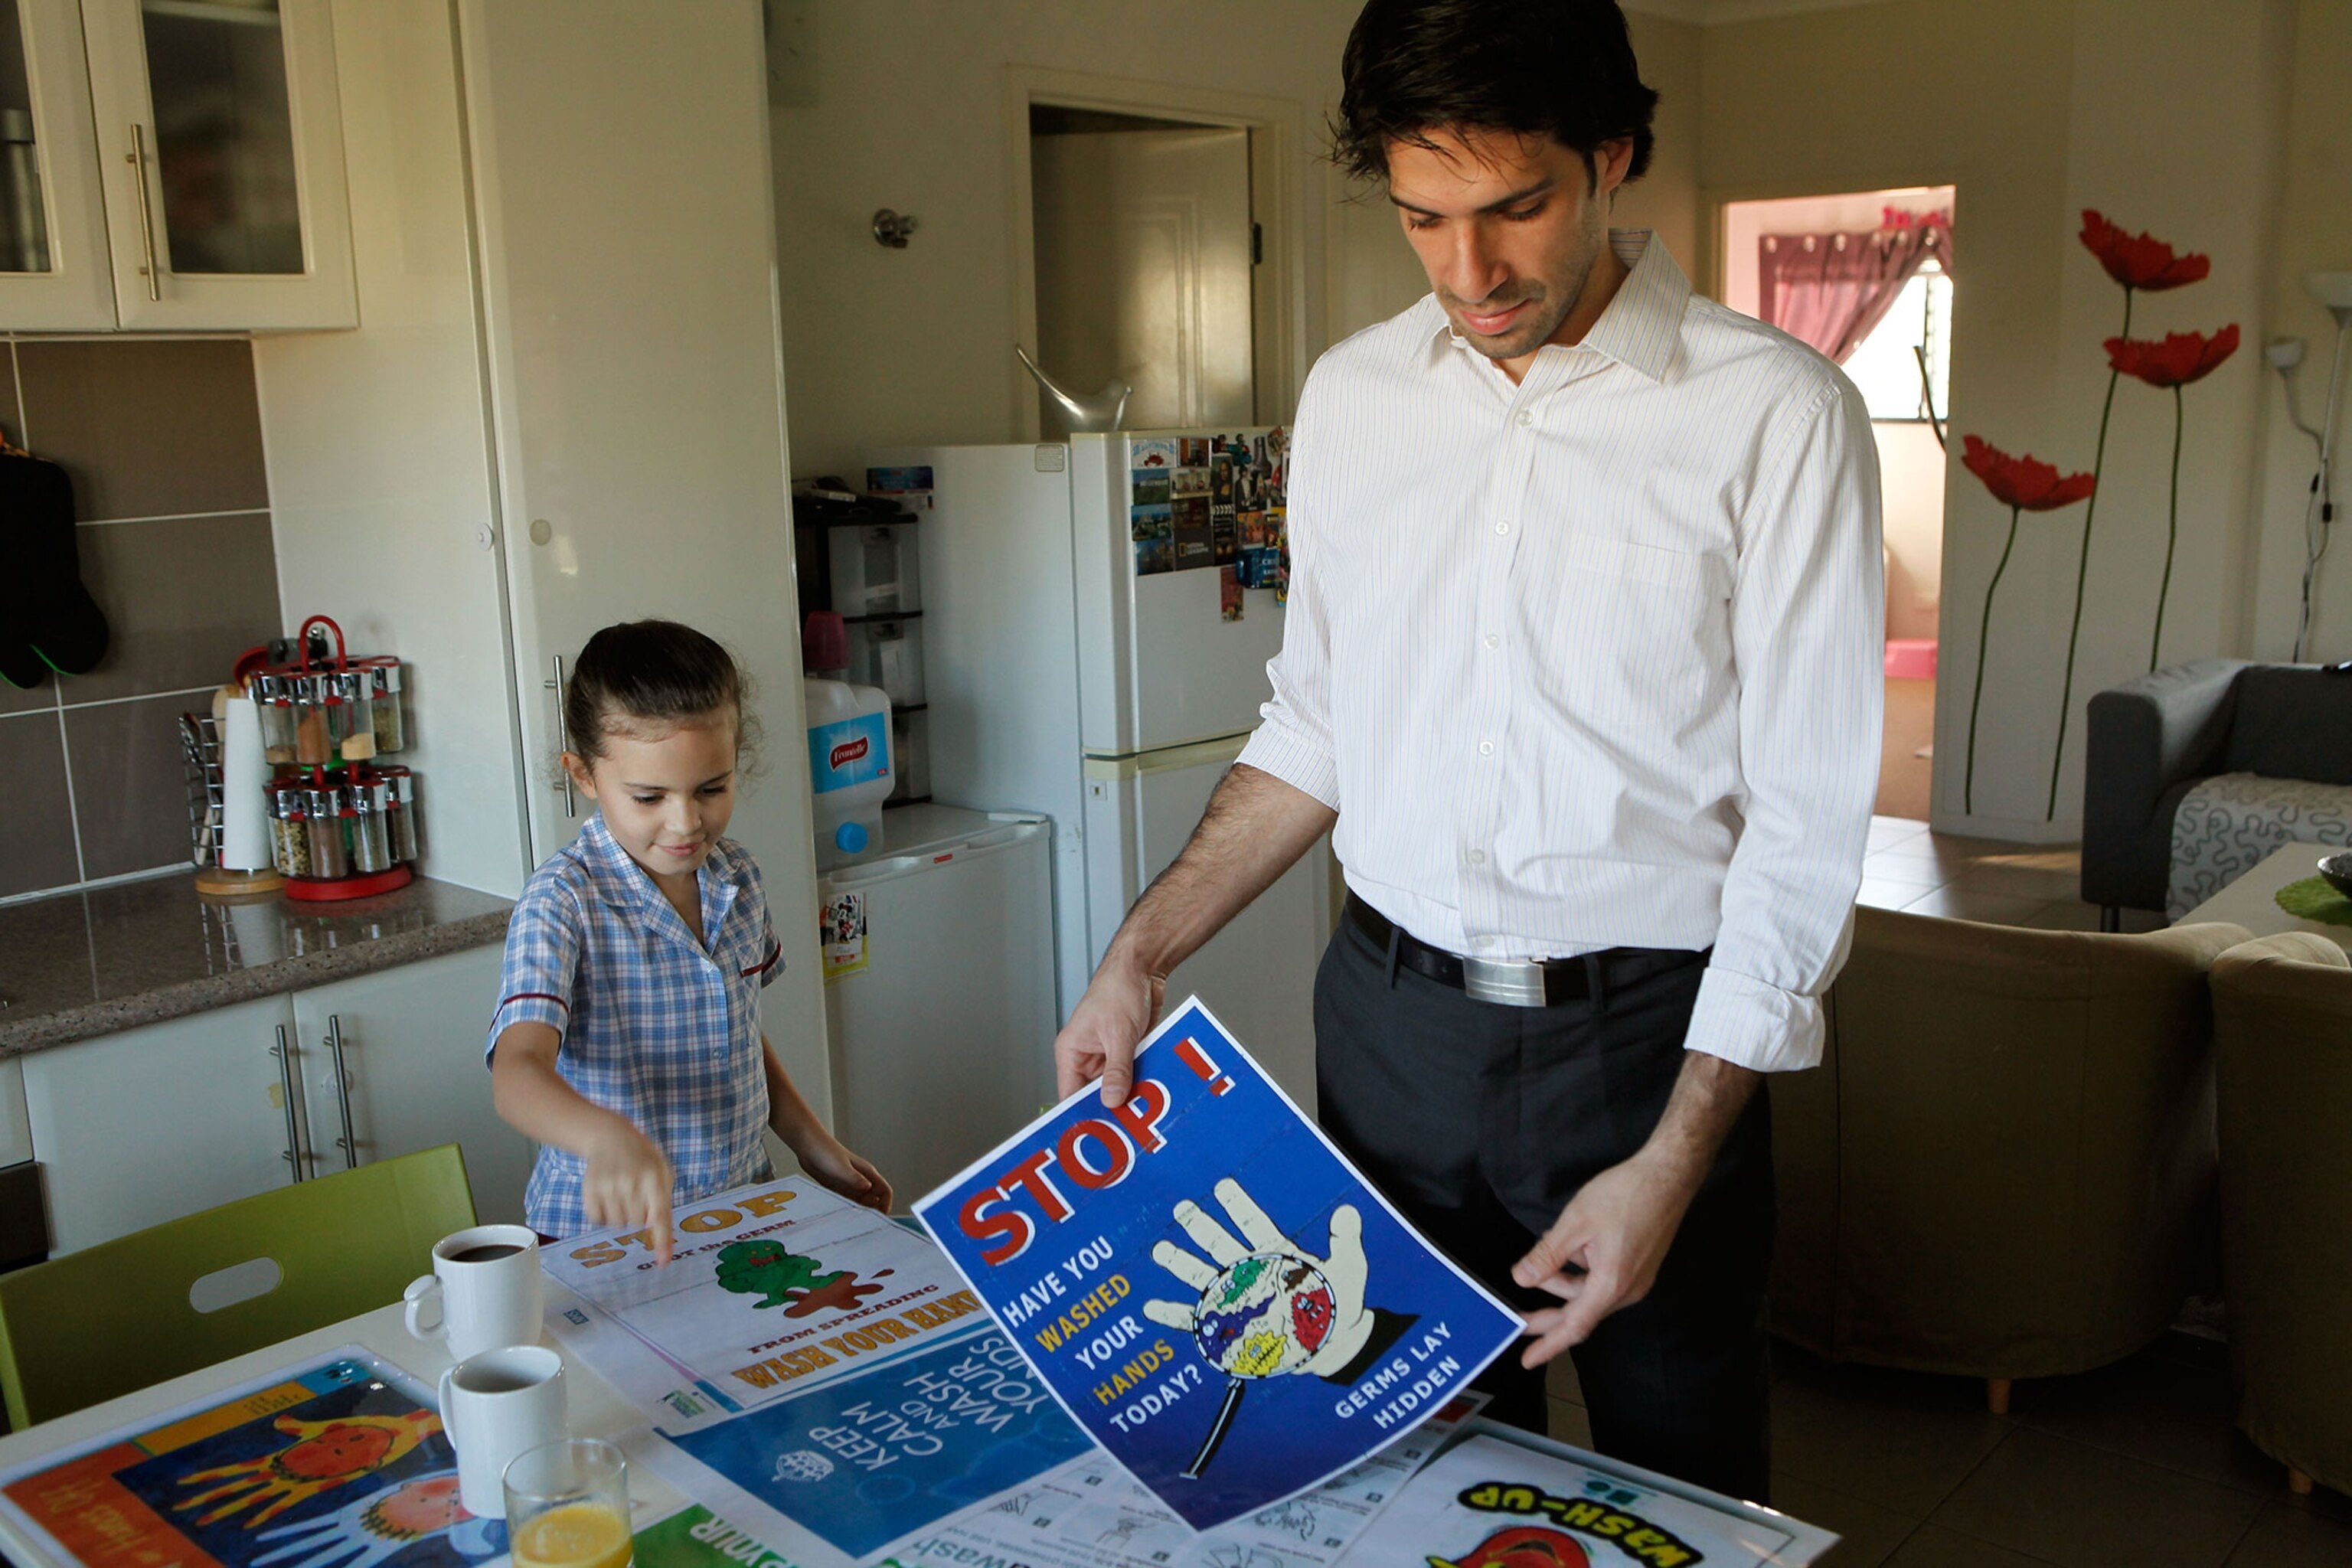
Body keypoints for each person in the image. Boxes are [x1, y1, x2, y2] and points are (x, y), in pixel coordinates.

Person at [1053, 0, 1880, 1501]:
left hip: (1640, 1044)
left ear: (1610, 155)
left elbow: (1806, 820)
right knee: (1405, 1468)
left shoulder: (1775, 411)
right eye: (1423, 217)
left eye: (1515, 207)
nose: (1468, 272)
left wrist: (1677, 1154)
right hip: (1390, 1032)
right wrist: (1138, 952)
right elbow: (1318, 721)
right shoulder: (1354, 397)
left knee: (1677, 1480)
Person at [488, 619, 891, 1261]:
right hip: (601, 1239)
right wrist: (602, 1137)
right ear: (584, 775)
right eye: (649, 797)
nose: (686, 823)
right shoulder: (563, 901)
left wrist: (811, 1141)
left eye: (712, 789)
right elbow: (517, 1070)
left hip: (739, 1209)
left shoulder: (738, 876)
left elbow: (737, 1028)